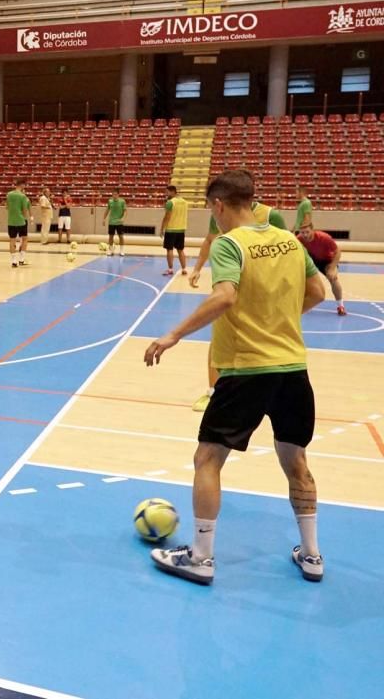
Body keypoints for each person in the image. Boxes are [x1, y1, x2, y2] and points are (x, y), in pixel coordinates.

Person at [143, 168, 326, 586]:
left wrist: (172, 333)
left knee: (207, 458)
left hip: (246, 368)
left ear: (220, 205)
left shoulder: (229, 244)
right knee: (296, 461)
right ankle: (312, 554)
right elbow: (317, 292)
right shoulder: (287, 241)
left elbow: (225, 296)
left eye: (213, 209)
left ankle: (201, 557)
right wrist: (277, 320)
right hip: (293, 368)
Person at [188, 199, 288, 412]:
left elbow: (286, 251)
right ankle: (213, 392)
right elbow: (210, 239)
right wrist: (197, 268)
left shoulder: (271, 216)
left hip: (263, 290)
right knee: (218, 338)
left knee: (266, 339)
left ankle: (269, 392)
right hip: (229, 283)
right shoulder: (220, 211)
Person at [298, 227, 347, 317]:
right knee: (300, 278)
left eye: (307, 232)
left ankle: (340, 306)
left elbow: (338, 252)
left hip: (326, 261)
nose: (305, 235)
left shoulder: (324, 237)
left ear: (313, 230)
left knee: (333, 278)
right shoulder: (299, 239)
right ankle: (305, 302)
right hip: (311, 259)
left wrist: (332, 268)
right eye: (302, 232)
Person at [159, 185, 189, 277]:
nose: (166, 194)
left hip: (171, 229)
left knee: (169, 249)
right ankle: (184, 269)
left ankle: (170, 269)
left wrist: (162, 228)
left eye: (167, 192)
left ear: (173, 192)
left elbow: (167, 217)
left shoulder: (170, 203)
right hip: (181, 229)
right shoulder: (185, 202)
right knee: (180, 250)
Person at [6, 178, 31, 268]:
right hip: (21, 221)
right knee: (24, 239)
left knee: (12, 240)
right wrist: (25, 218)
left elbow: (7, 207)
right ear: (22, 185)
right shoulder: (23, 196)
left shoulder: (9, 195)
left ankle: (13, 261)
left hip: (11, 221)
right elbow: (24, 210)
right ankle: (21, 259)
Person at [106, 188, 127, 256]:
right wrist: (104, 219)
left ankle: (121, 250)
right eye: (113, 194)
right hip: (111, 222)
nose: (114, 195)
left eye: (115, 194)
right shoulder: (110, 201)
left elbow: (125, 211)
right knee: (110, 236)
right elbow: (107, 210)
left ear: (118, 194)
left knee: (121, 236)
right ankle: (111, 250)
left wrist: (123, 218)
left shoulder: (122, 201)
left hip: (119, 223)